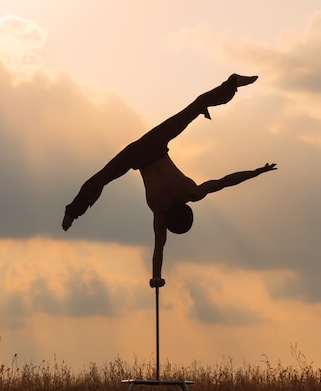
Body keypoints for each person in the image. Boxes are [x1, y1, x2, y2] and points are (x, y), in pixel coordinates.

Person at [62, 73, 277, 287]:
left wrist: (257, 171)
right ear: (169, 223)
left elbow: (225, 181)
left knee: (196, 106)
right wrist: (156, 277)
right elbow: (159, 249)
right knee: (101, 179)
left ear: (187, 210)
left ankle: (232, 83)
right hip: (135, 157)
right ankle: (71, 214)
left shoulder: (191, 193)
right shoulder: (160, 210)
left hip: (156, 141)